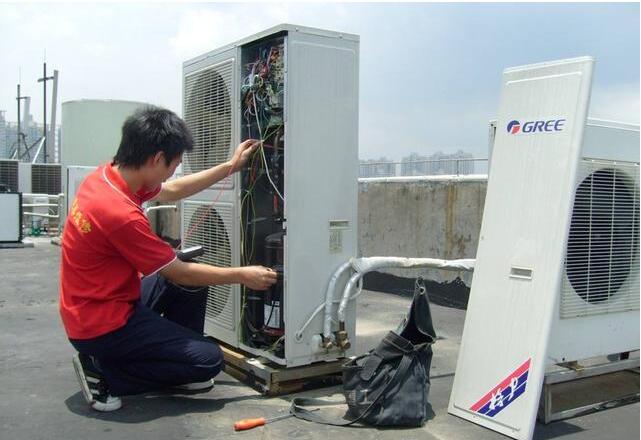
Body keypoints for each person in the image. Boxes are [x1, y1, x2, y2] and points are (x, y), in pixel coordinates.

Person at [59, 106, 277, 411]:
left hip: (99, 303)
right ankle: (104, 373)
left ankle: (176, 359)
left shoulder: (106, 177)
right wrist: (242, 275)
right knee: (209, 361)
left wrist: (231, 166)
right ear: (156, 159)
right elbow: (178, 273)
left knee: (193, 280)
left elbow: (172, 190)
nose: (173, 172)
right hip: (102, 325)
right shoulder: (119, 212)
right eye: (173, 164)